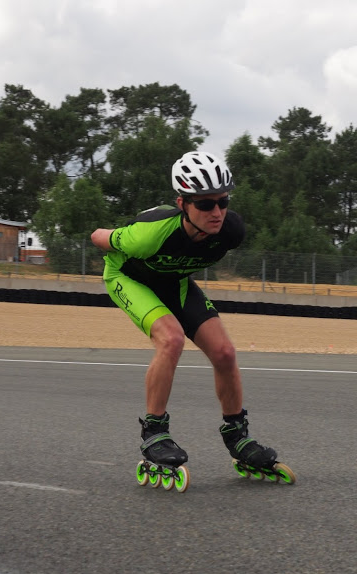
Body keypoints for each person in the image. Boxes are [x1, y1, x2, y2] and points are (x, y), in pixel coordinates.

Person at [90, 150, 278, 471]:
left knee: (225, 353)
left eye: (223, 201)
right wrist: (117, 238)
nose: (216, 211)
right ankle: (154, 432)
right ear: (182, 204)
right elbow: (97, 236)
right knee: (172, 340)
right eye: (205, 204)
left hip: (173, 281)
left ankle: (237, 434)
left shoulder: (231, 232)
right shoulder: (149, 235)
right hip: (131, 278)